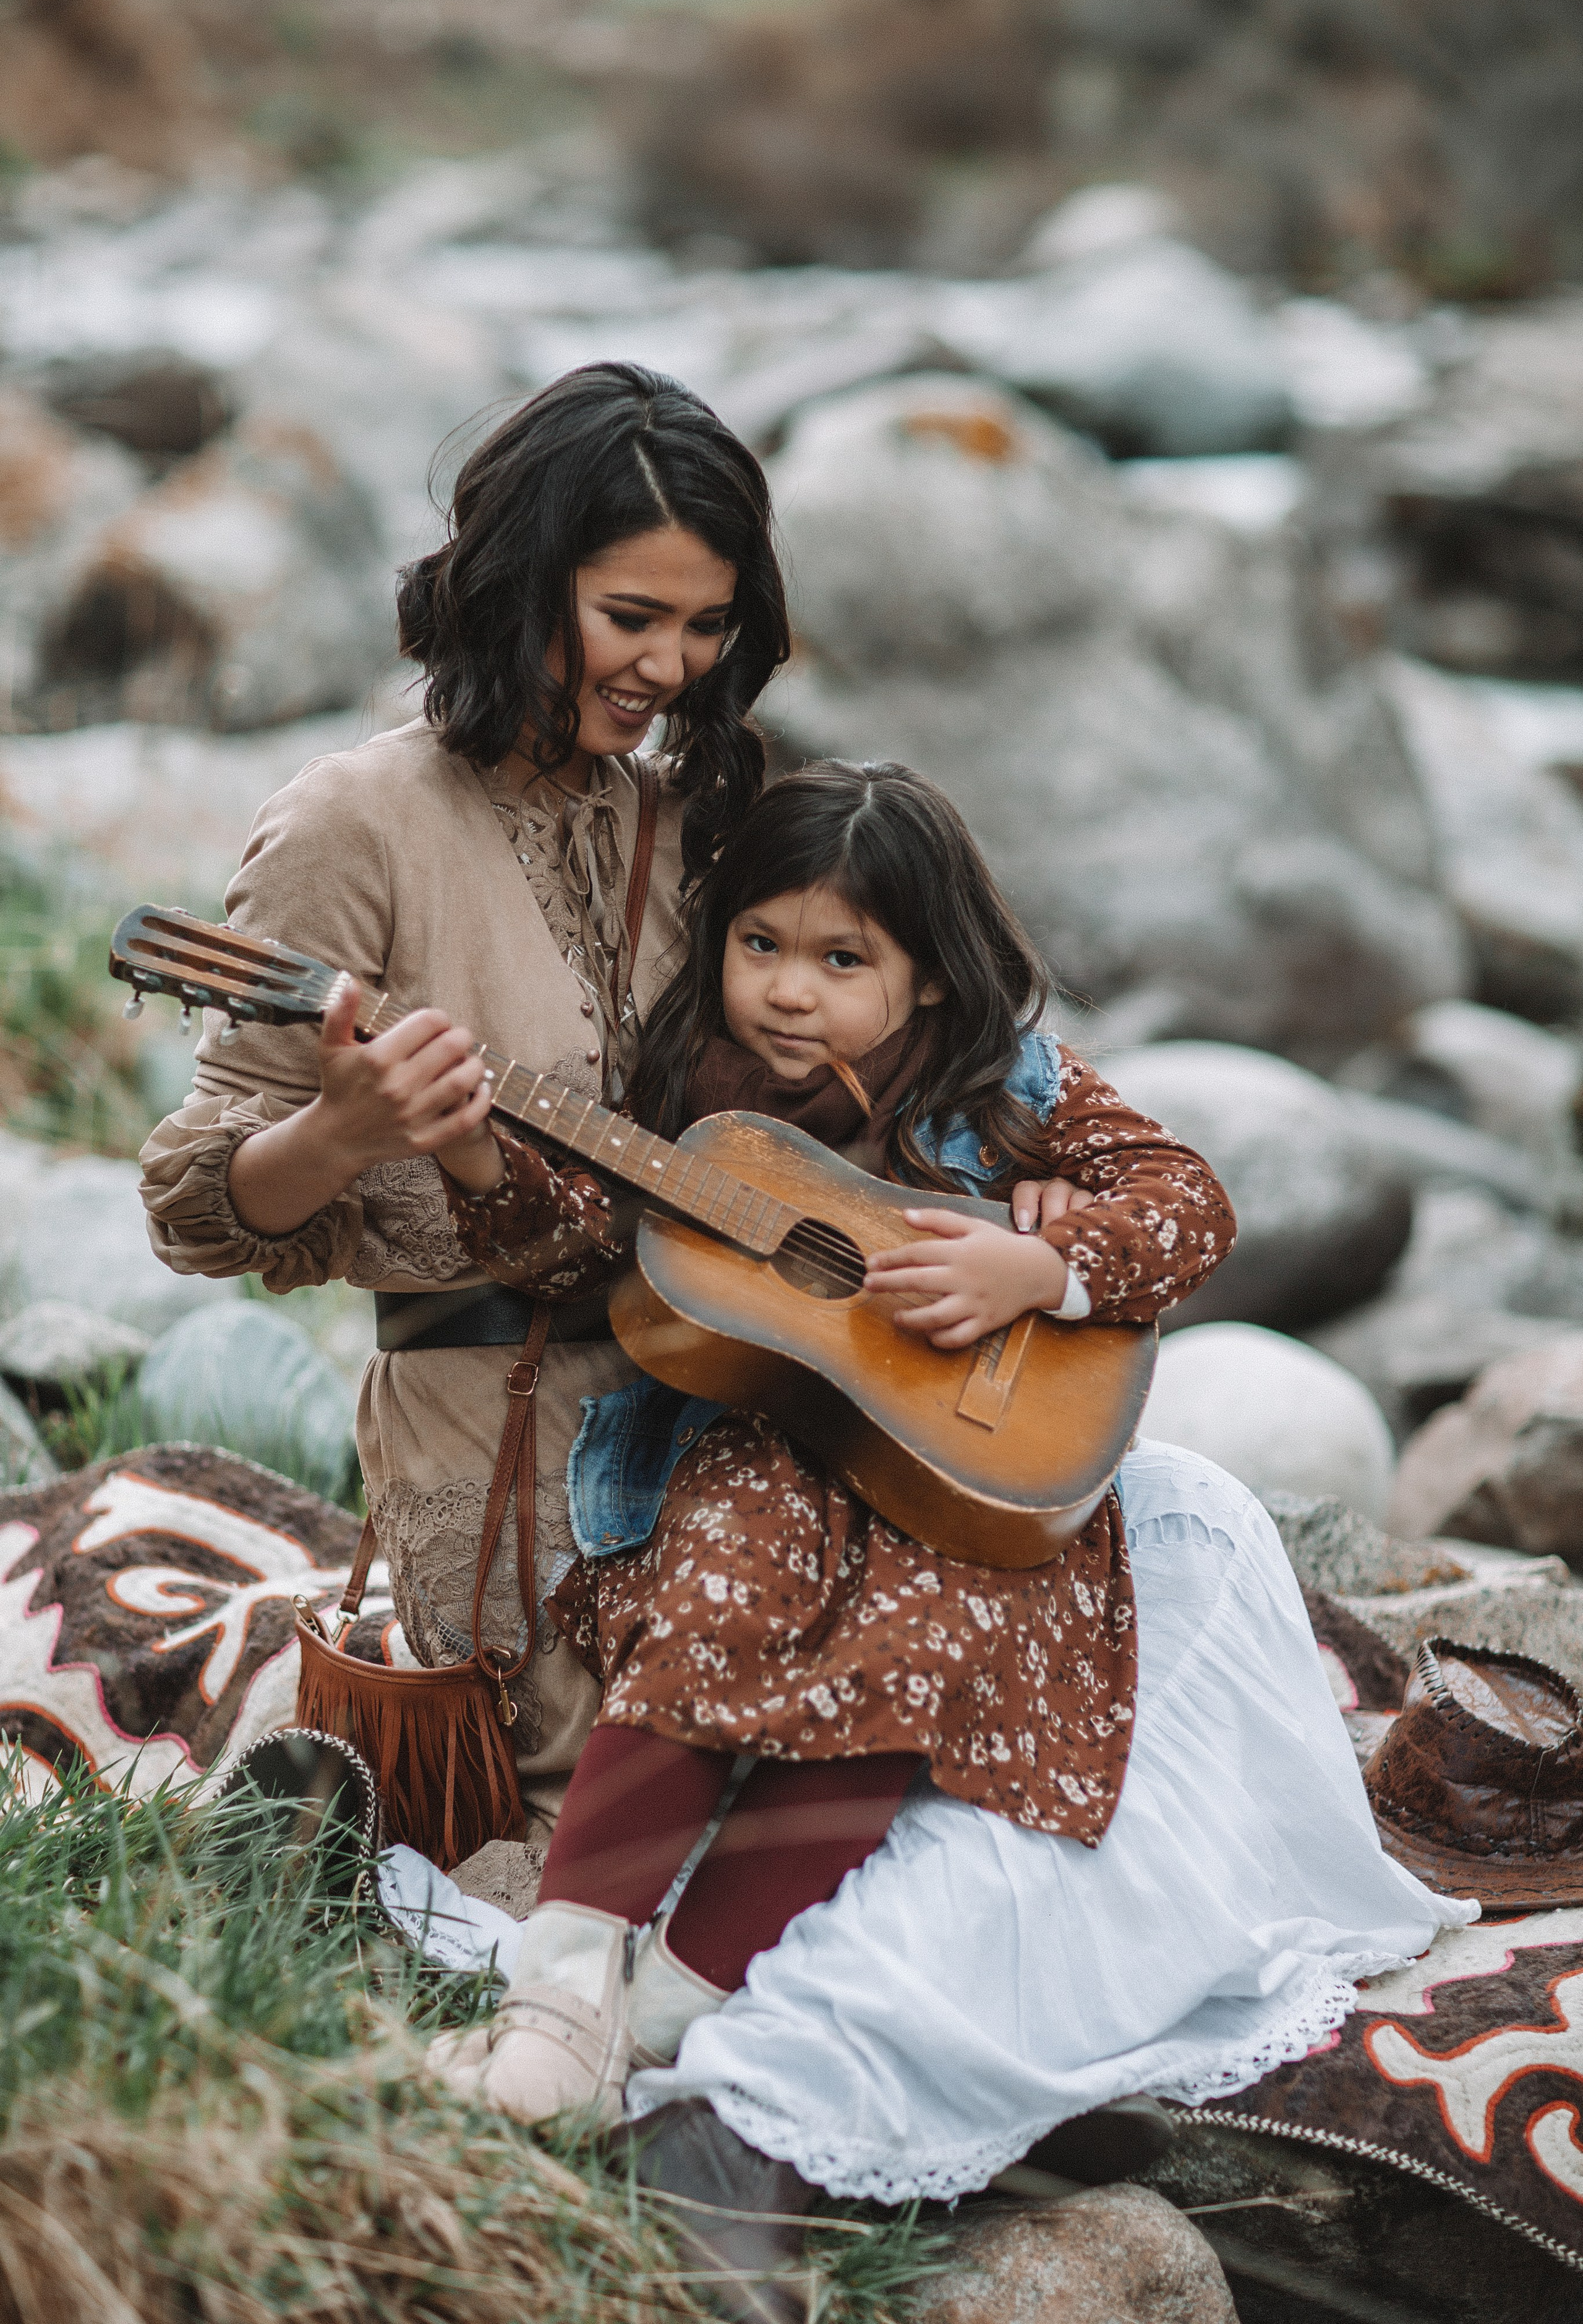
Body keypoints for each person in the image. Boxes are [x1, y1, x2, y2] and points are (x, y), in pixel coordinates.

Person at [427, 762, 1469, 2310]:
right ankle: (564, 1969)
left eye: (841, 961)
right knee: (722, 1585)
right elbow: (570, 1237)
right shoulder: (679, 1090)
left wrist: (1032, 1280)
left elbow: (1187, 1203)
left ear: (922, 967)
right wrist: (458, 1146)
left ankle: (668, 2008)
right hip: (751, 1461)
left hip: (968, 1491)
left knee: (926, 1662)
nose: (790, 993)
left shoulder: (1012, 1081)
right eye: (760, 945)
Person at [137, 361, 797, 1869]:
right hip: (489, 1426)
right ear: (518, 584)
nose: (670, 668)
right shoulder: (350, 822)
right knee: (606, 1844)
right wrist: (345, 1132)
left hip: (729, 1387)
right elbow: (196, 1204)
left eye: (706, 627)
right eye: (631, 619)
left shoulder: (691, 819)